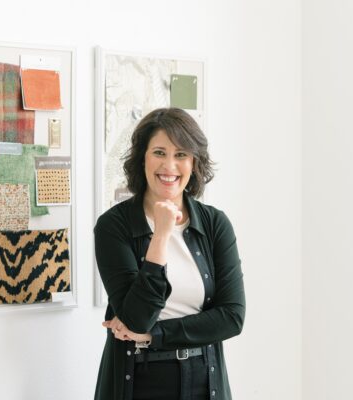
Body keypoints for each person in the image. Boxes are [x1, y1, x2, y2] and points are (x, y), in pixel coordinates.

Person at [94, 108, 245, 400]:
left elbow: (232, 317)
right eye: (160, 152)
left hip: (204, 380)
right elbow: (137, 318)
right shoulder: (114, 226)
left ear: (194, 162)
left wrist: (154, 336)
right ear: (143, 158)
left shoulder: (215, 224)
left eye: (181, 155)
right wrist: (161, 235)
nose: (170, 166)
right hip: (139, 380)